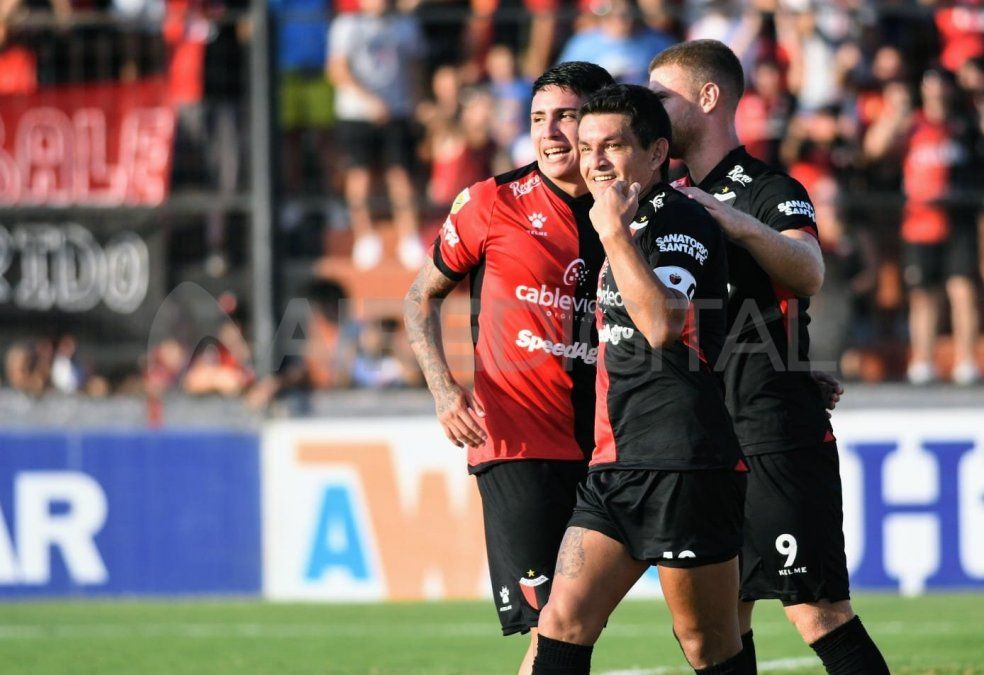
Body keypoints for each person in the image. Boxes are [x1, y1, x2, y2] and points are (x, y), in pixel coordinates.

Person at [649, 40, 889, 673]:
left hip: (772, 433)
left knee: (818, 612)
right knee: (716, 629)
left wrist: (733, 221)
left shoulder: (768, 189)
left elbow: (809, 271)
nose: (651, 110)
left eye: (662, 96)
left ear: (708, 97)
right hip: (705, 442)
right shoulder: (667, 198)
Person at [403, 61, 615, 675]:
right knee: (556, 624)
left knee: (575, 625)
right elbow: (419, 298)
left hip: (610, 445)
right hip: (518, 445)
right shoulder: (492, 202)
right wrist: (444, 390)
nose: (548, 133)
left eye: (566, 117)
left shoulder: (632, 211)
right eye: (537, 118)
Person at [533, 83, 749, 675]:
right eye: (587, 147)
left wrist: (612, 235)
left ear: (656, 153)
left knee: (706, 644)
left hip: (683, 463)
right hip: (615, 463)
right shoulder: (620, 221)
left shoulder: (679, 220)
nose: (595, 161)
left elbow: (661, 326)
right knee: (561, 622)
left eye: (614, 146)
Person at [328, 0, 426, 270]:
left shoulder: (406, 25)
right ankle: (364, 237)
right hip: (356, 113)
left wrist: (416, 103)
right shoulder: (347, 25)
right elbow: (337, 70)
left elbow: (415, 68)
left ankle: (409, 237)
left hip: (398, 112)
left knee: (401, 175)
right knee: (359, 175)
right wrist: (369, 101)